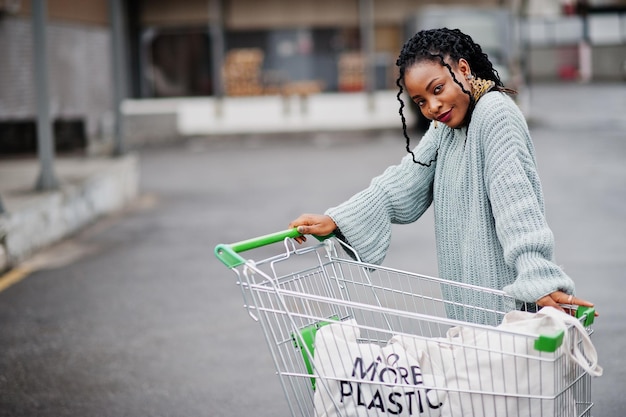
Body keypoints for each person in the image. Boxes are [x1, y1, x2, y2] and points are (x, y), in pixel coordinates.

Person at [288, 28, 595, 323]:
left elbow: (516, 205)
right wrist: (337, 219)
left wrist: (537, 275)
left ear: (463, 70)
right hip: (472, 299)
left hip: (508, 308)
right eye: (421, 101)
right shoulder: (445, 127)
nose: (433, 106)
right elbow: (404, 182)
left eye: (438, 89)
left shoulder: (494, 114)